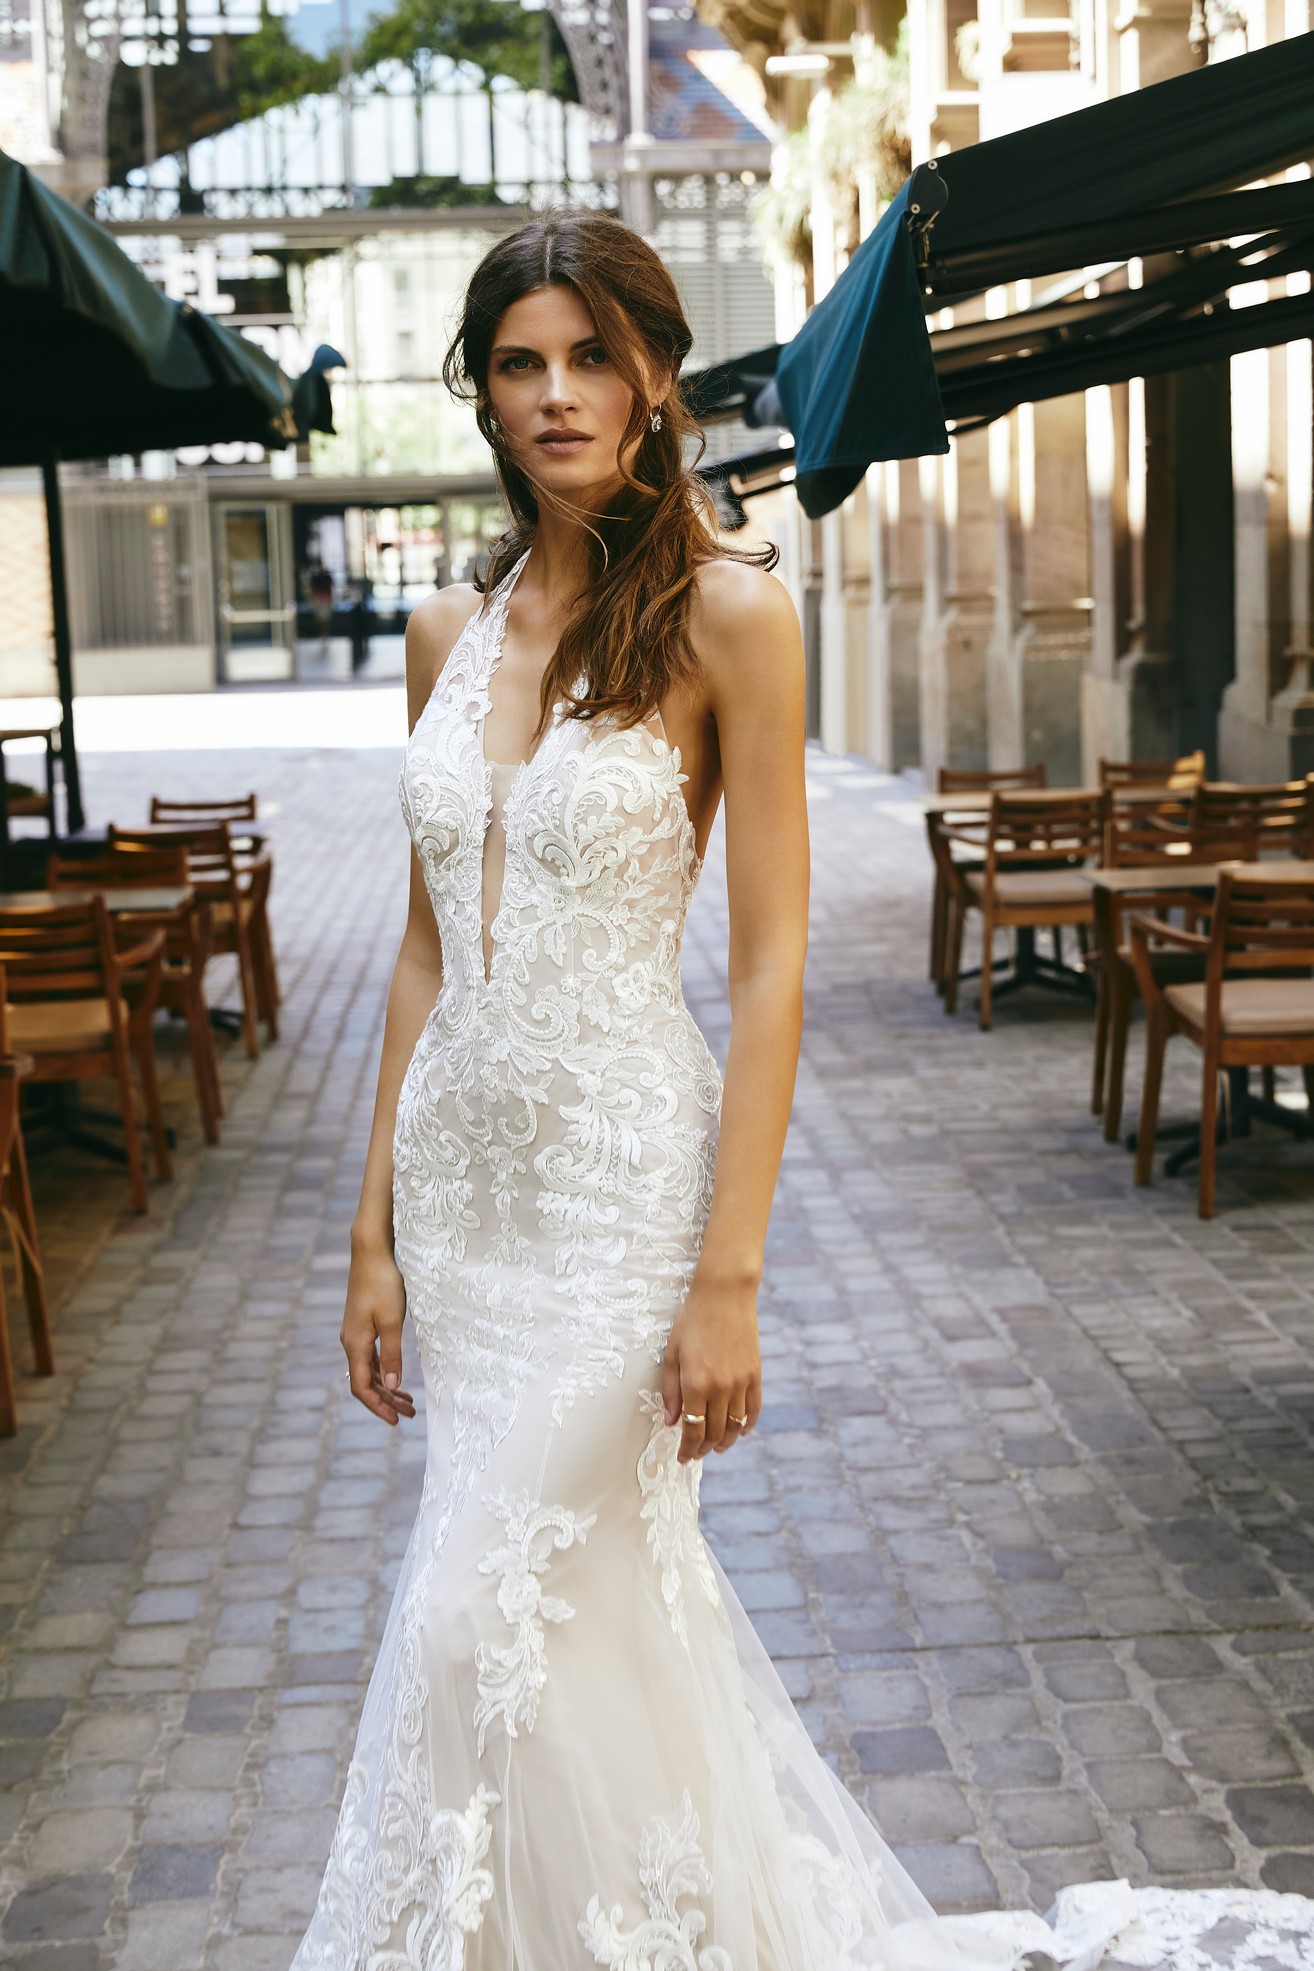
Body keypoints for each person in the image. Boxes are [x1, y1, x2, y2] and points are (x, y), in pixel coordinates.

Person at [285, 212, 1314, 1971]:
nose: (557, 397)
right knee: (570, 1615)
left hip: (624, 1186)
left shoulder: (731, 619)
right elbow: (417, 957)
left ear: (657, 379)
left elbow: (767, 967)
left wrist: (727, 1275)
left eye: (592, 357)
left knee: (478, 1611)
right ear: (481, 392)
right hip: (469, 1196)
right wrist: (370, 1232)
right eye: (522, 363)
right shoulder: (443, 630)